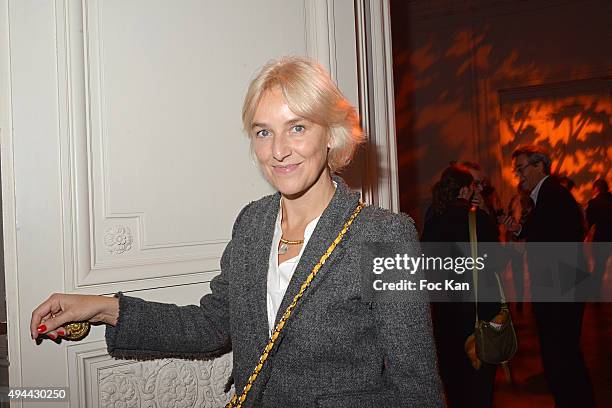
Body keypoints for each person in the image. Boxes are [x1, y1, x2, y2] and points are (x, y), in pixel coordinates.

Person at [30, 57, 444, 407]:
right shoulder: (252, 223)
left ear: (332, 134)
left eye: (297, 127)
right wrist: (103, 308)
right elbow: (212, 326)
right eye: (264, 132)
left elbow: (417, 390)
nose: (278, 150)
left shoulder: (386, 236)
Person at [501, 144, 595, 408]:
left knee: (561, 358)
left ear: (539, 166)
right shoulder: (548, 195)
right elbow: (544, 231)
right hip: (562, 287)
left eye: (521, 168)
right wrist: (519, 230)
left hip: (560, 290)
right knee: (565, 357)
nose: (517, 175)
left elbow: (556, 240)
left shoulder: (552, 194)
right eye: (516, 169)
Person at [422, 164, 500, 408]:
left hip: (446, 315)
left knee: (454, 383)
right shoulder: (478, 218)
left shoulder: (434, 219)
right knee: (481, 384)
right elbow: (497, 263)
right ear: (465, 190)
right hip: (479, 312)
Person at [586, 178, 612, 298]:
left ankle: (595, 290)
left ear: (596, 189)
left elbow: (589, 221)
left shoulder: (594, 203)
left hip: (600, 237)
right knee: (602, 265)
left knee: (598, 265)